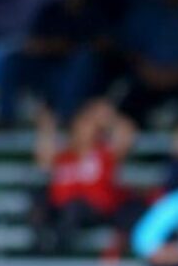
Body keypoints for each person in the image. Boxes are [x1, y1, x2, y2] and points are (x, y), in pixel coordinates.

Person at [0, 0, 113, 127]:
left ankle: (67, 119)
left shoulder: (97, 11)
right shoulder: (51, 10)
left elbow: (105, 45)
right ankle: (5, 118)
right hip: (48, 74)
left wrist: (72, 48)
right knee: (13, 59)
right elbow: (31, 44)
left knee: (83, 59)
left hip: (83, 82)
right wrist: (56, 46)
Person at [31, 100, 135, 255]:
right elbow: (42, 160)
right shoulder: (64, 155)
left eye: (89, 126)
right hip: (61, 209)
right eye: (80, 126)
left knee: (73, 209)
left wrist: (109, 117)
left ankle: (57, 251)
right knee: (39, 204)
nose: (84, 131)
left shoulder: (104, 153)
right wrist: (47, 128)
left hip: (94, 211)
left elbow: (126, 136)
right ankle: (40, 247)